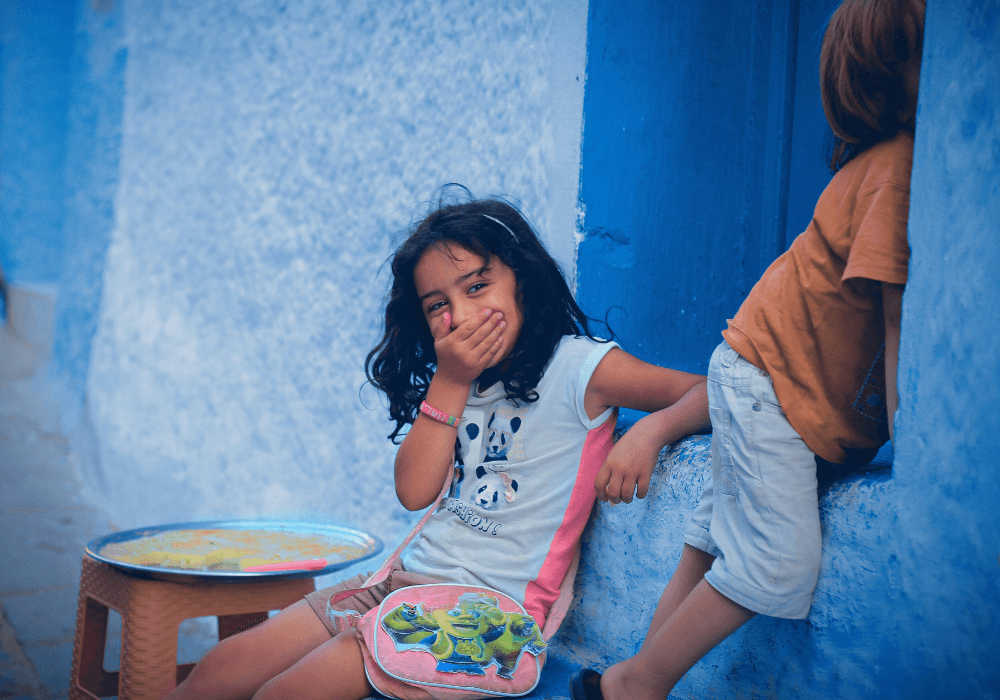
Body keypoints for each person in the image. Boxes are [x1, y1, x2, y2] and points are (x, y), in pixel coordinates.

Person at [166, 189, 710, 700]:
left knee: (286, 693)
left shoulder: (581, 368)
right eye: (437, 305)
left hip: (481, 618)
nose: (462, 316)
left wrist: (652, 430)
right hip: (397, 584)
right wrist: (449, 380)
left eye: (477, 287)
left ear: (521, 280)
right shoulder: (457, 377)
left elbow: (714, 392)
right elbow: (414, 491)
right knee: (218, 670)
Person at [568, 1, 925, 698]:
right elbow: (895, 315)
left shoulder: (882, 167)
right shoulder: (897, 170)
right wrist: (911, 436)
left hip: (766, 381)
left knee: (710, 546)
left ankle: (631, 683)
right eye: (924, 55)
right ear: (890, 75)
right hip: (769, 386)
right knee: (777, 566)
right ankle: (635, 684)